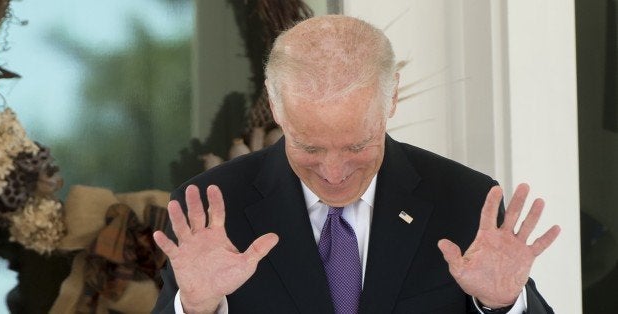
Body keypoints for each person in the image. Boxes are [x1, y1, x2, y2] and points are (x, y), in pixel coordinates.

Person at [152, 15, 561, 314]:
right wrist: (196, 307)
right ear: (275, 105)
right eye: (310, 148)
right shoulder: (208, 210)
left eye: (356, 146)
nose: (333, 173)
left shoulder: (466, 201)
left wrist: (503, 303)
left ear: (392, 100)